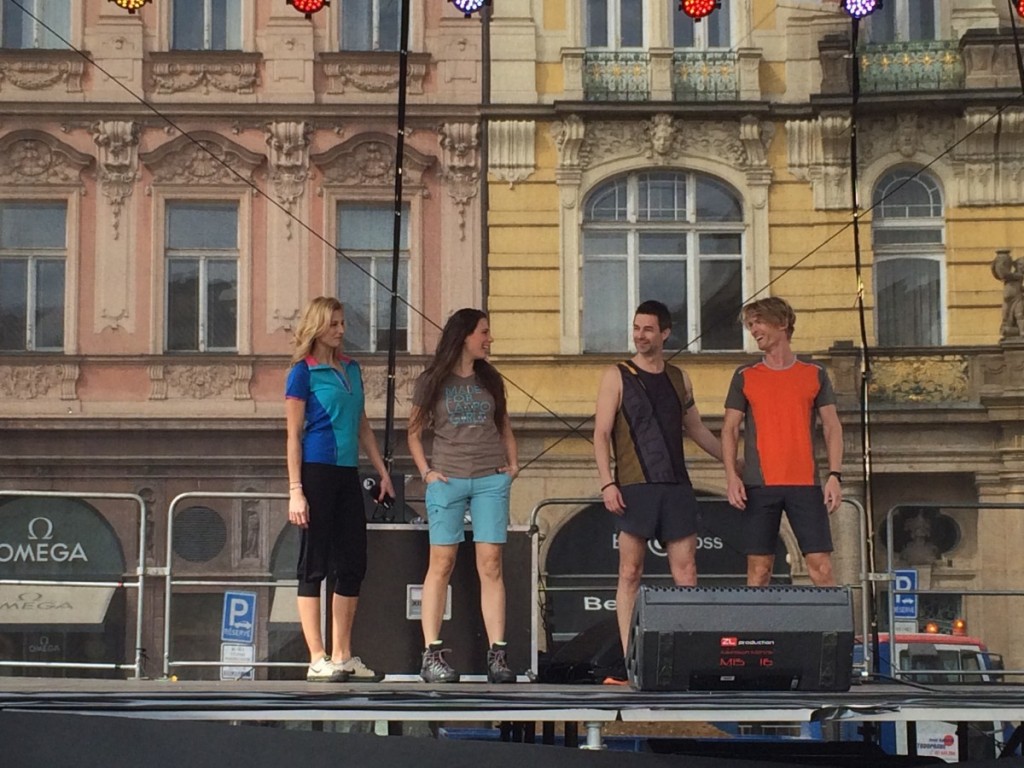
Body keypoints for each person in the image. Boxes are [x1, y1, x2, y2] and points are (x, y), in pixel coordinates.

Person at [594, 300, 724, 665]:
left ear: (665, 333)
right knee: (629, 571)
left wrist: (734, 463)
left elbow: (696, 428)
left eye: (648, 329)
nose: (640, 335)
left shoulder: (680, 378)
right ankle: (629, 654)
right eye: (636, 328)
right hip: (634, 486)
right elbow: (601, 433)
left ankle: (689, 651)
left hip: (676, 486)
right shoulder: (616, 375)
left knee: (687, 571)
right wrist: (607, 483)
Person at [407, 308, 519, 685]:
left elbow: (503, 425)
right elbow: (413, 432)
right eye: (484, 332)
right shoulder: (432, 380)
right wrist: (427, 472)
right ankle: (431, 654)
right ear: (465, 335)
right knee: (442, 562)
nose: (489, 339)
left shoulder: (491, 378)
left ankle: (498, 655)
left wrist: (513, 465)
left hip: (490, 478)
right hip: (447, 478)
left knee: (491, 564)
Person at [285, 296, 394, 683]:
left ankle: (343, 654)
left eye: (343, 323)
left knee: (352, 563)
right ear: (317, 326)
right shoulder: (302, 372)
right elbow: (293, 436)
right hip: (316, 472)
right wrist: (296, 489)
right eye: (333, 324)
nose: (341, 330)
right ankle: (317, 657)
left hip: (348, 473)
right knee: (313, 563)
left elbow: (362, 423)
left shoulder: (351, 368)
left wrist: (382, 471)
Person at [721, 296, 844, 587]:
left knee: (821, 567)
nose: (754, 330)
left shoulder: (814, 373)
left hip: (805, 484)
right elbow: (729, 429)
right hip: (759, 485)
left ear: (782, 323)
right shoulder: (745, 375)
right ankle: (756, 619)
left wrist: (835, 475)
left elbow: (832, 426)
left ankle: (831, 619)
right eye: (751, 325)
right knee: (759, 570)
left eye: (759, 322)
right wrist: (731, 477)